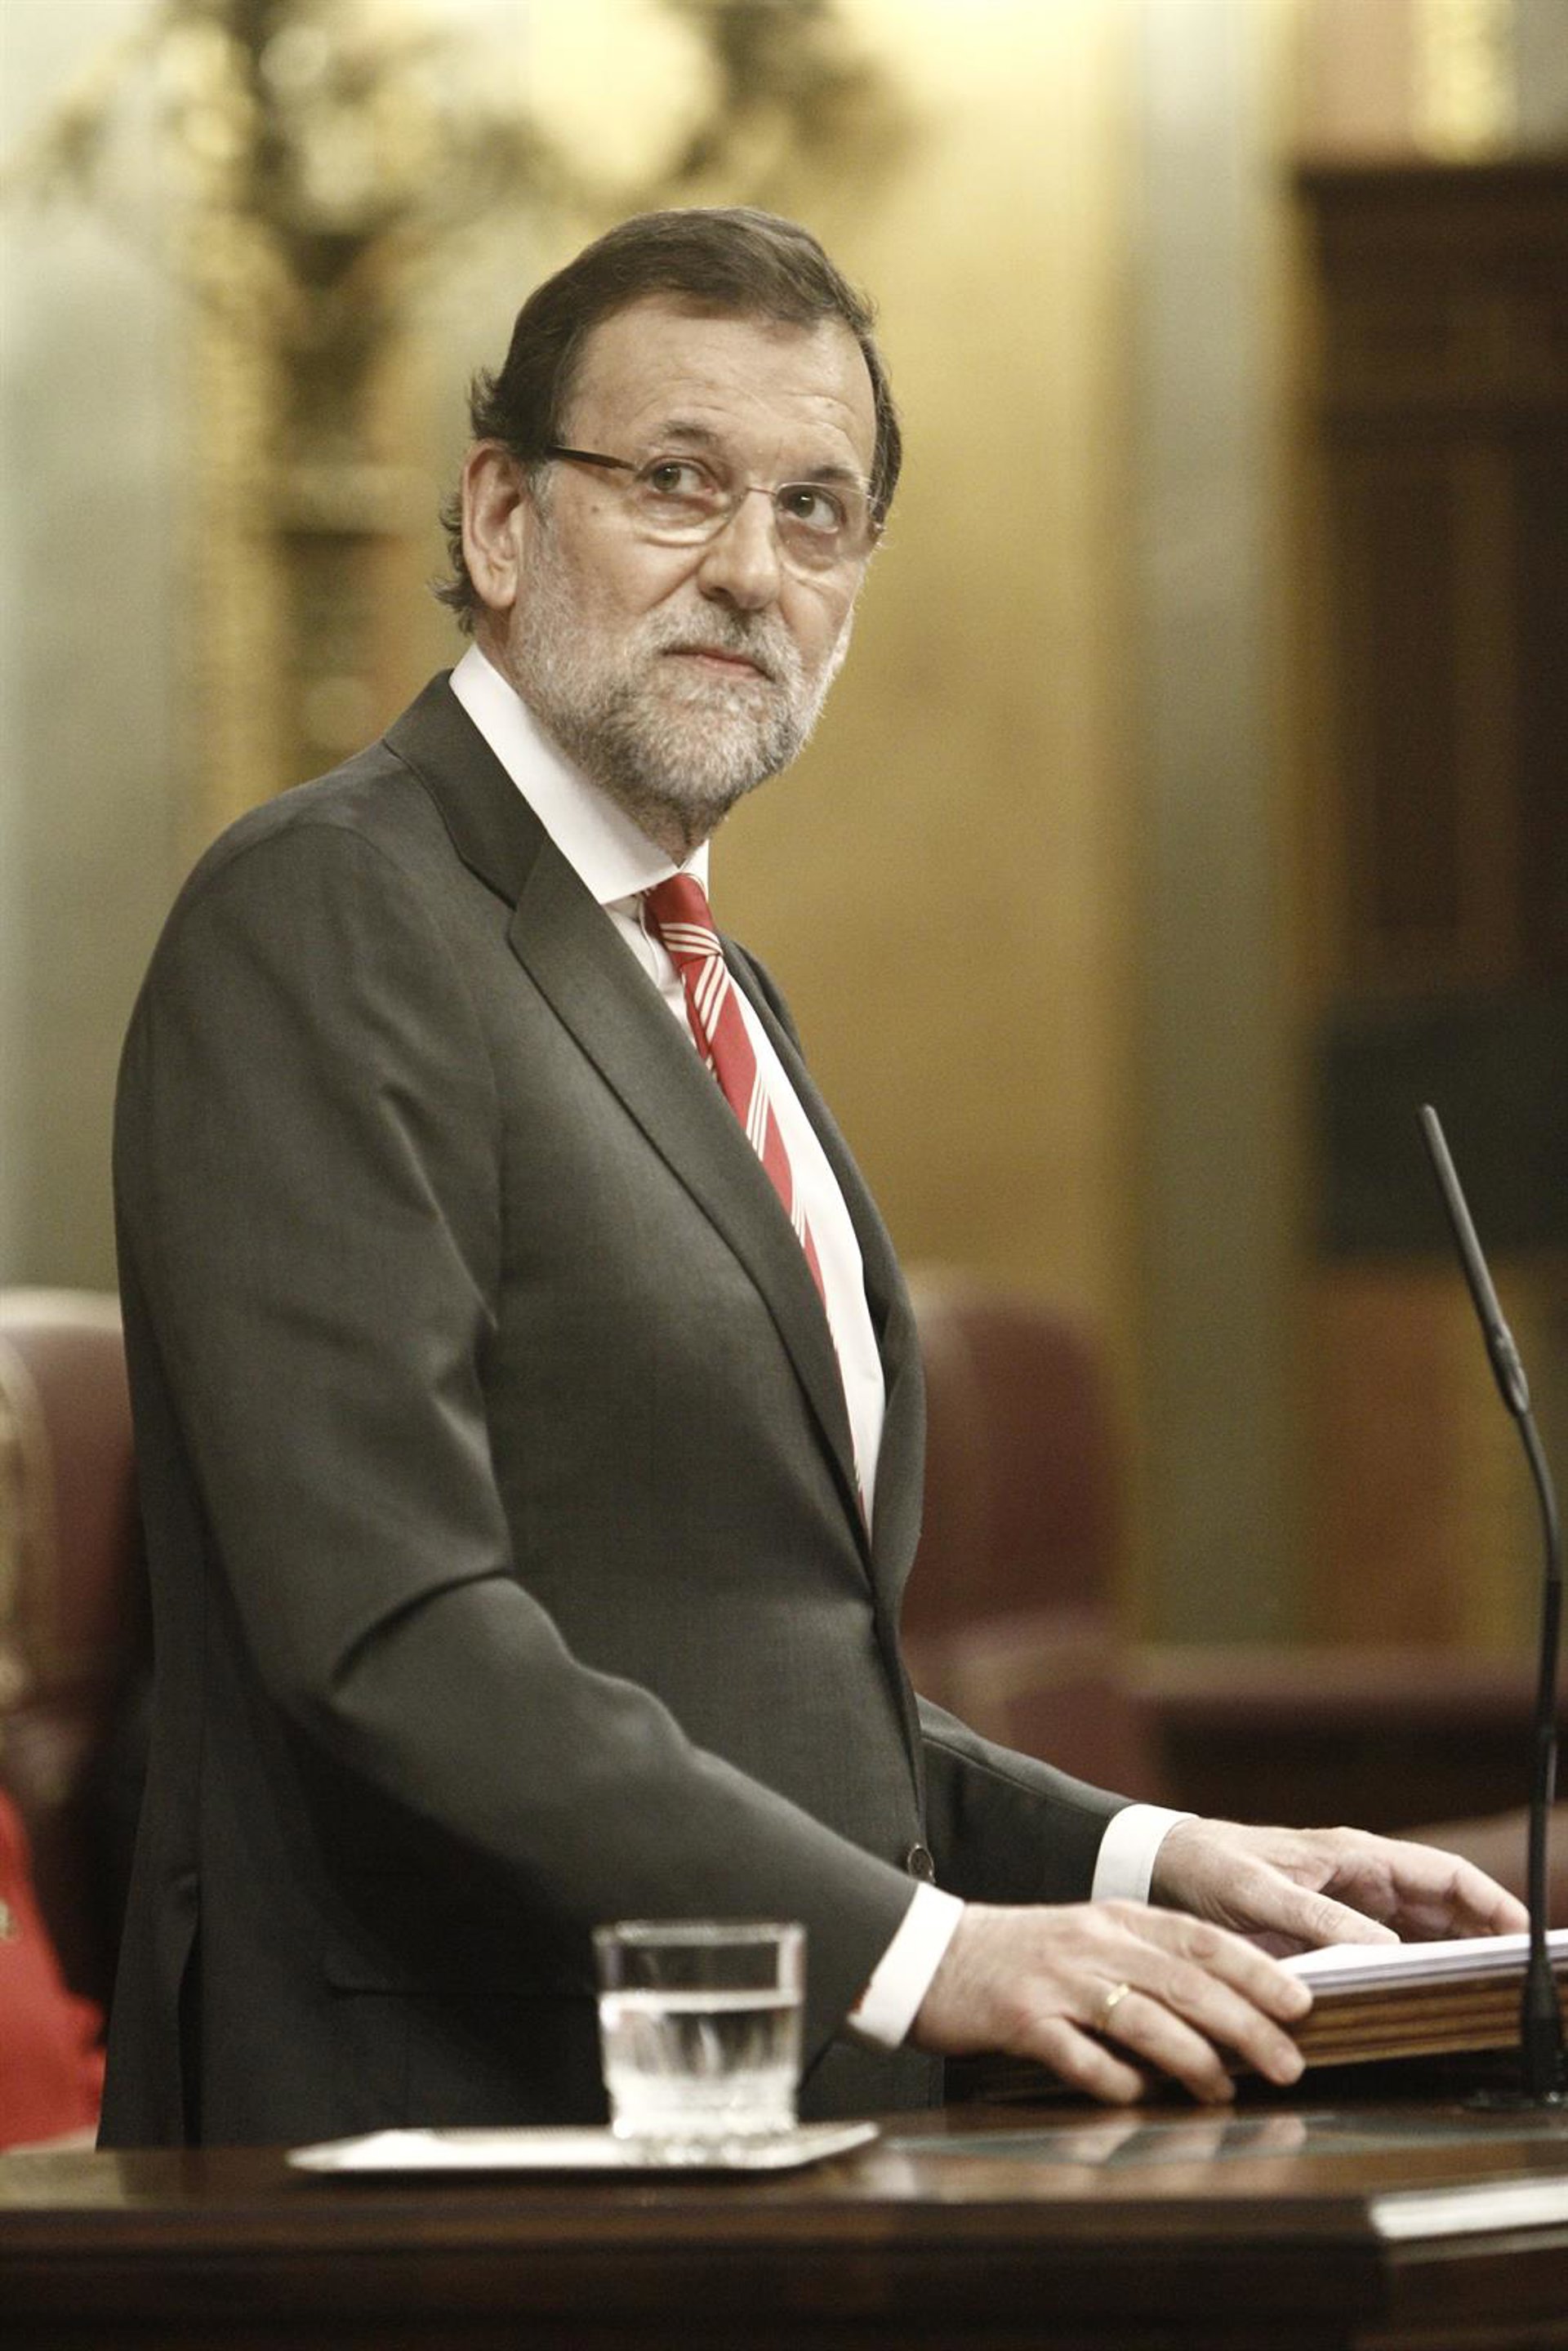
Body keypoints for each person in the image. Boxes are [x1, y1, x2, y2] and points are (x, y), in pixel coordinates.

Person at [100, 208, 1524, 2148]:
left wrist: (1152, 1860)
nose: (750, 572)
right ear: (502, 518)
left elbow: (749, 1679)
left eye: (817, 511)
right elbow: (390, 1638)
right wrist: (929, 1955)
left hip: (759, 2148)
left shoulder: (701, 976)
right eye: (677, 484)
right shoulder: (330, 911)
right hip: (439, 2160)